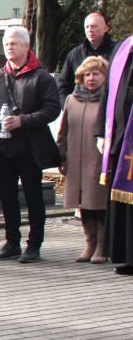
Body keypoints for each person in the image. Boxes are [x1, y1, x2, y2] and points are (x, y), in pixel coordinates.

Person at [0, 26, 62, 263]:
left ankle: (34, 244)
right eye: (6, 43)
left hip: (30, 149)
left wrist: (23, 121)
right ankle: (12, 242)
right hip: (3, 149)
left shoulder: (42, 77)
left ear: (27, 46)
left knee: (33, 197)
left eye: (14, 43)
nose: (9, 47)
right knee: (6, 196)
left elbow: (52, 109)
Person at [56, 56, 110, 263]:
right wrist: (61, 156)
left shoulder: (109, 100)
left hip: (99, 160)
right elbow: (63, 131)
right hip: (75, 159)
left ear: (105, 76)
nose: (91, 78)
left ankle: (103, 246)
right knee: (83, 203)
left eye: (96, 73)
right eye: (87, 74)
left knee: (99, 202)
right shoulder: (72, 99)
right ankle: (90, 243)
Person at [97, 34, 133, 275]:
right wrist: (101, 132)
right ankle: (128, 256)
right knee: (123, 202)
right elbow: (108, 93)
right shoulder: (123, 48)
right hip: (121, 137)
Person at [57, 13, 116, 101]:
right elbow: (63, 85)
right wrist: (67, 106)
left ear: (105, 28)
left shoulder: (118, 52)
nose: (90, 30)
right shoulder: (75, 54)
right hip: (79, 108)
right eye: (87, 27)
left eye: (94, 26)